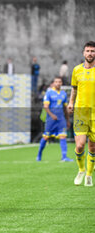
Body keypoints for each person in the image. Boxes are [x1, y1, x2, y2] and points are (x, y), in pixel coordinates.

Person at [68, 41, 95, 187]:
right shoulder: (76, 70)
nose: (90, 53)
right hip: (81, 111)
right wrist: (71, 102)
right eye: (88, 51)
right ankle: (81, 170)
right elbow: (74, 89)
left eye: (92, 51)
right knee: (79, 146)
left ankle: (89, 175)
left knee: (92, 147)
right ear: (83, 53)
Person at [36, 76, 73, 162]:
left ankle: (64, 157)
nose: (58, 83)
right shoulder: (49, 93)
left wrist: (67, 120)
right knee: (45, 137)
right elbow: (46, 106)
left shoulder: (63, 94)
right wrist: (52, 115)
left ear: (61, 83)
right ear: (53, 83)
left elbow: (65, 108)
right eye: (56, 82)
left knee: (63, 136)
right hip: (51, 120)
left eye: (59, 82)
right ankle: (39, 154)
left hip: (61, 119)